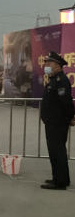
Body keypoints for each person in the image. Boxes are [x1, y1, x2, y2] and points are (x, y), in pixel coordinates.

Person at [40, 52, 75, 190]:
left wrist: (71, 117)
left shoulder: (61, 81)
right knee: (54, 151)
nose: (46, 66)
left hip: (57, 122)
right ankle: (59, 178)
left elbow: (66, 102)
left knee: (57, 151)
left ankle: (60, 182)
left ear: (58, 66)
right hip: (52, 121)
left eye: (49, 63)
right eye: (46, 63)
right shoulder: (54, 80)